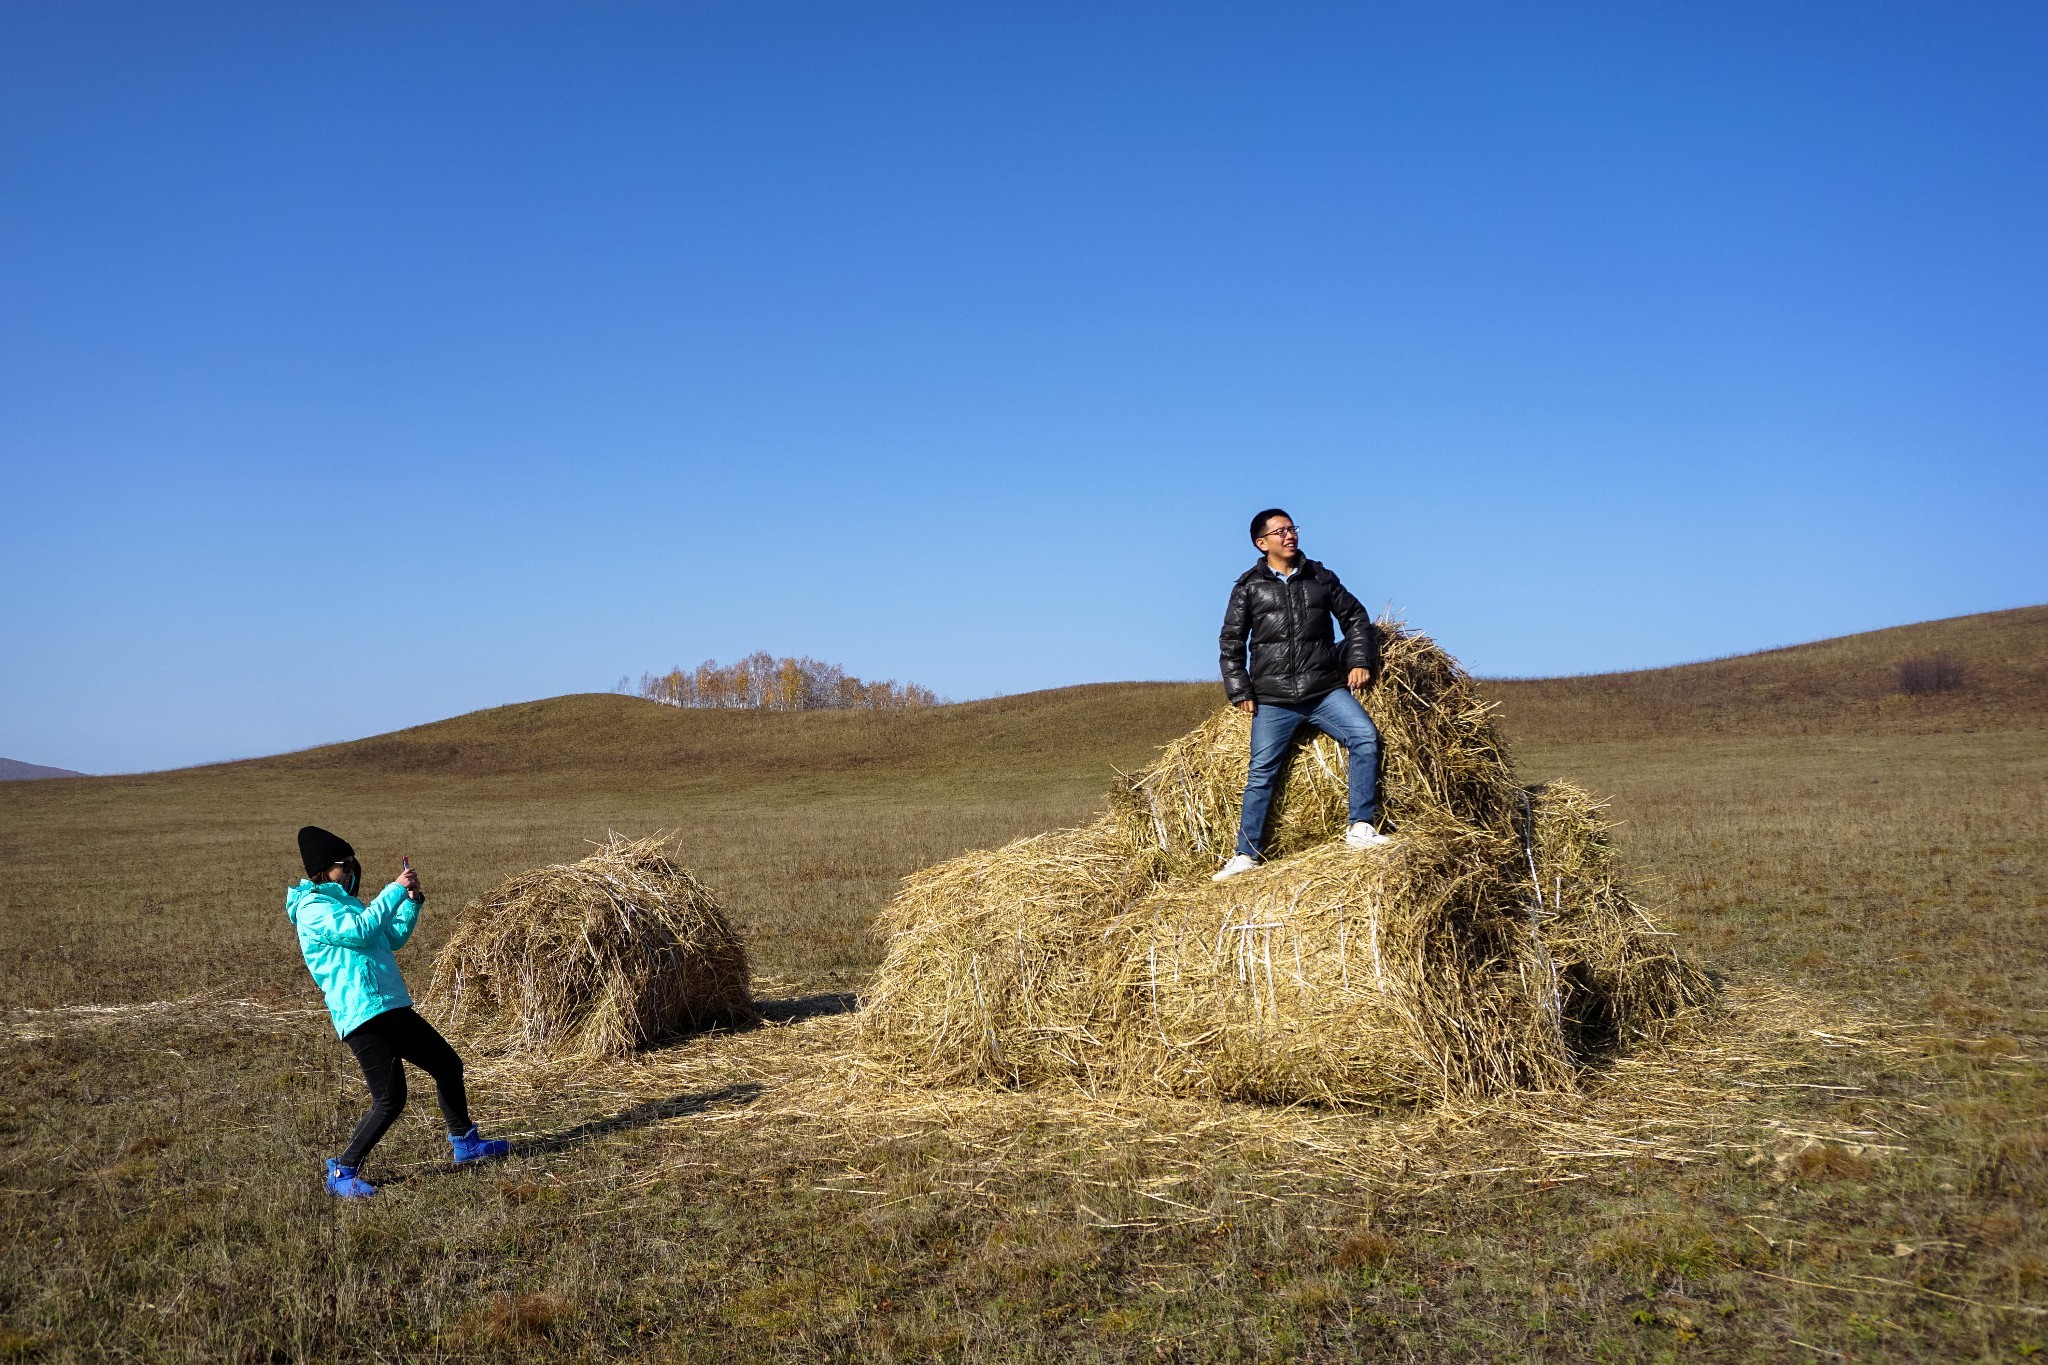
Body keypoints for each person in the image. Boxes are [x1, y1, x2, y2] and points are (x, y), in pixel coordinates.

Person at [286, 825, 510, 1198]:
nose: (353, 872)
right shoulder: (313, 909)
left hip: (390, 1005)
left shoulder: (348, 902)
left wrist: (410, 900)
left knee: (448, 1065)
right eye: (346, 865)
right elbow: (359, 931)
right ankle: (343, 1170)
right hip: (362, 1014)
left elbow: (391, 937)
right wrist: (392, 890)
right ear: (325, 868)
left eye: (355, 864)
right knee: (391, 1100)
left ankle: (465, 1143)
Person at [1213, 509, 1390, 882]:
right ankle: (1246, 854)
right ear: (1262, 543)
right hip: (1273, 698)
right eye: (1280, 531)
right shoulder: (1249, 587)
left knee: (1365, 737)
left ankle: (1360, 826)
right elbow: (1231, 642)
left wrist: (1359, 660)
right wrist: (1239, 689)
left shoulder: (1320, 577)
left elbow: (1356, 618)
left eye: (1292, 528)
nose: (1289, 535)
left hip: (1323, 690)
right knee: (1261, 773)